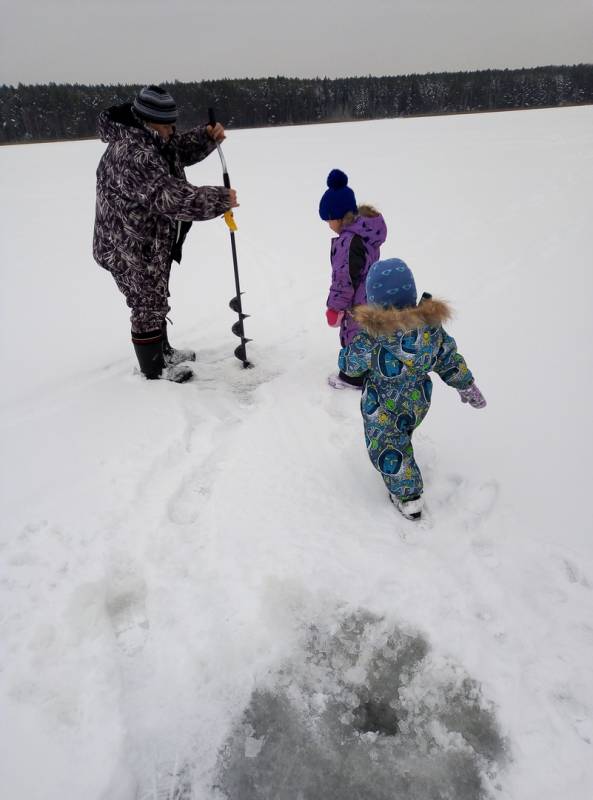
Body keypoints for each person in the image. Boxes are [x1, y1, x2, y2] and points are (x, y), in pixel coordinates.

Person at [93, 85, 239, 382]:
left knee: (155, 295)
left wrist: (205, 137)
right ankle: (154, 370)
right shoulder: (133, 153)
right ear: (148, 122)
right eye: (166, 125)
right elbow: (169, 197)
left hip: (146, 238)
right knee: (147, 302)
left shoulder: (148, 138)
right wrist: (218, 199)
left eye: (173, 124)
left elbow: (174, 150)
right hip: (127, 244)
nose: (171, 131)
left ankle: (163, 351)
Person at [339, 258, 486, 521]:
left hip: (383, 405)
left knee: (388, 445)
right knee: (403, 431)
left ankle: (409, 497)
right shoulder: (431, 331)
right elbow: (449, 358)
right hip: (418, 399)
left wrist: (350, 351)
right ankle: (404, 456)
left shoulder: (371, 339)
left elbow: (349, 367)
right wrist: (466, 385)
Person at [318, 169, 387, 390]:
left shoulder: (347, 242)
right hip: (371, 295)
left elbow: (342, 280)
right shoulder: (367, 233)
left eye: (329, 219)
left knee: (353, 335)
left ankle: (353, 377)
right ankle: (372, 367)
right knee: (368, 333)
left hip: (356, 302)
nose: (328, 224)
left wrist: (334, 308)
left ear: (338, 217)